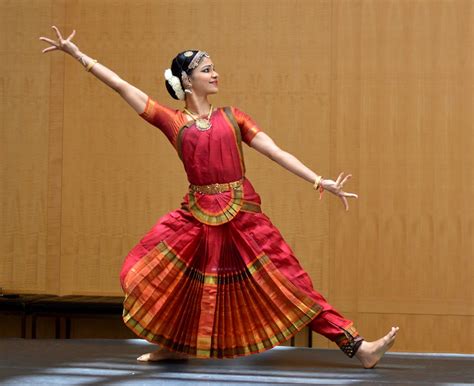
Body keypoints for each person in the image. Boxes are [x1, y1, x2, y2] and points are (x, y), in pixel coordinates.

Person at [39, 26, 399, 369]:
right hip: (195, 217)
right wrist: (77, 55)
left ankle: (358, 346)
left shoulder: (233, 117)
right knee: (168, 277)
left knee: (291, 282)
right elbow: (121, 86)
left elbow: (275, 151)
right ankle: (173, 348)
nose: (215, 74)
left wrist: (319, 180)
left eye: (214, 69)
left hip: (243, 215)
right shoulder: (173, 121)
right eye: (207, 70)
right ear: (187, 80)